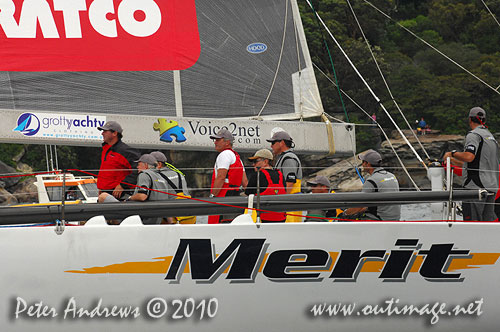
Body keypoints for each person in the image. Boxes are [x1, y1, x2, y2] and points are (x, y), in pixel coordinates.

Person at [443, 107, 499, 221]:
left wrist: (452, 154)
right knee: (487, 224)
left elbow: (469, 157)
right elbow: (480, 163)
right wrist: (455, 162)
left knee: (472, 223)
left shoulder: (474, 135)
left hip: (475, 189)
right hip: (492, 188)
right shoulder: (491, 137)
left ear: (470, 119)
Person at [98, 154, 175, 224]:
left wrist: (129, 198)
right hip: (154, 220)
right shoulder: (162, 177)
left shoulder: (144, 174)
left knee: (103, 196)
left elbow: (142, 196)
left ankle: (117, 226)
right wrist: (172, 223)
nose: (137, 167)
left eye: (139, 164)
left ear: (146, 165)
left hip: (140, 219)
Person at [343, 150, 401, 220]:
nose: (362, 164)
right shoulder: (392, 176)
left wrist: (345, 213)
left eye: (363, 162)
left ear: (367, 164)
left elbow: (360, 205)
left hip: (380, 219)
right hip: (395, 219)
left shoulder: (371, 181)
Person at [208, 129, 248, 223]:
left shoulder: (224, 154)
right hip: (235, 197)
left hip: (223, 195)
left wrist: (213, 195)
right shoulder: (237, 157)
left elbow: (221, 177)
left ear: (227, 142)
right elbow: (245, 182)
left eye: (218, 140)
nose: (215, 142)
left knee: (216, 225)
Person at [97, 121, 140, 200]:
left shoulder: (125, 150)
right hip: (105, 193)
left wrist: (123, 185)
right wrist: (101, 188)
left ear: (114, 133)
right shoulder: (106, 149)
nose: (102, 133)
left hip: (118, 195)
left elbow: (138, 170)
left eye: (105, 131)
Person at [151, 150, 195, 224]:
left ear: (159, 164)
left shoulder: (157, 177)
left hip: (175, 216)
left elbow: (160, 199)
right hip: (190, 212)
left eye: (150, 164)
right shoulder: (178, 173)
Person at [267, 130, 303, 222]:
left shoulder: (289, 158)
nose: (271, 146)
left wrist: (281, 204)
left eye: (273, 142)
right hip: (289, 204)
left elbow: (289, 183)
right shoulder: (284, 157)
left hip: (289, 206)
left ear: (282, 143)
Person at [244, 149, 286, 223]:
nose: (253, 164)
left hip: (262, 220)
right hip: (281, 219)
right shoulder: (280, 175)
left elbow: (248, 192)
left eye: (255, 161)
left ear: (266, 161)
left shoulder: (257, 175)